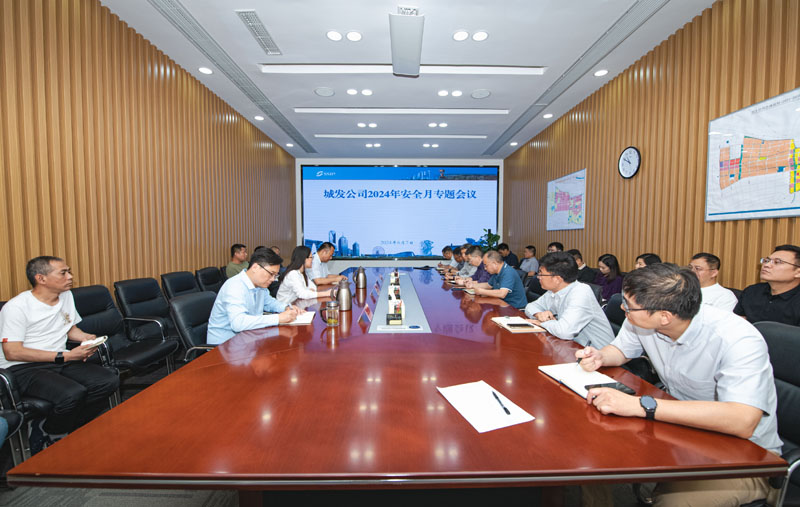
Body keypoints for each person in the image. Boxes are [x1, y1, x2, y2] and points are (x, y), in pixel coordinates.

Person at [576, 263, 781, 505]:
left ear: (664, 317)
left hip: (744, 455)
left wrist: (640, 405)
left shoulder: (737, 339)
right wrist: (601, 356)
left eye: (628, 306)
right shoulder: (643, 319)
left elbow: (742, 420)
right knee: (592, 454)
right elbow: (621, 350)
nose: (623, 308)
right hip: (678, 427)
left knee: (672, 503)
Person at [0, 256, 120, 450]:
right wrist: (64, 356)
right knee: (72, 394)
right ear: (41, 278)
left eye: (69, 271)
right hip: (23, 367)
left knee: (108, 380)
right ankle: (50, 433)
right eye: (63, 273)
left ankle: (61, 426)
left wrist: (86, 338)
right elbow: (12, 352)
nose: (70, 276)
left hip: (59, 358)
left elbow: (69, 328)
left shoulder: (66, 296)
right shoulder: (16, 307)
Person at [208, 249, 304, 345]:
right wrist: (278, 318)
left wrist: (286, 307)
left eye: (275, 275)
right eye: (271, 274)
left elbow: (269, 303)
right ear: (255, 267)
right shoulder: (235, 286)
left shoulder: (259, 285)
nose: (273, 279)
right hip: (224, 345)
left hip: (248, 337)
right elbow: (238, 323)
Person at [524, 252, 614, 349]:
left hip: (596, 352)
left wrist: (543, 323)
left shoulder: (581, 292)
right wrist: (538, 314)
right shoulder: (554, 291)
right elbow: (530, 306)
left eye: (541, 274)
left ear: (557, 279)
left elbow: (564, 332)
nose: (538, 277)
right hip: (570, 346)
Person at [734, 244, 800, 325]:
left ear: (798, 273)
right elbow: (737, 323)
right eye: (766, 260)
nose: (766, 265)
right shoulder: (752, 291)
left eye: (777, 262)